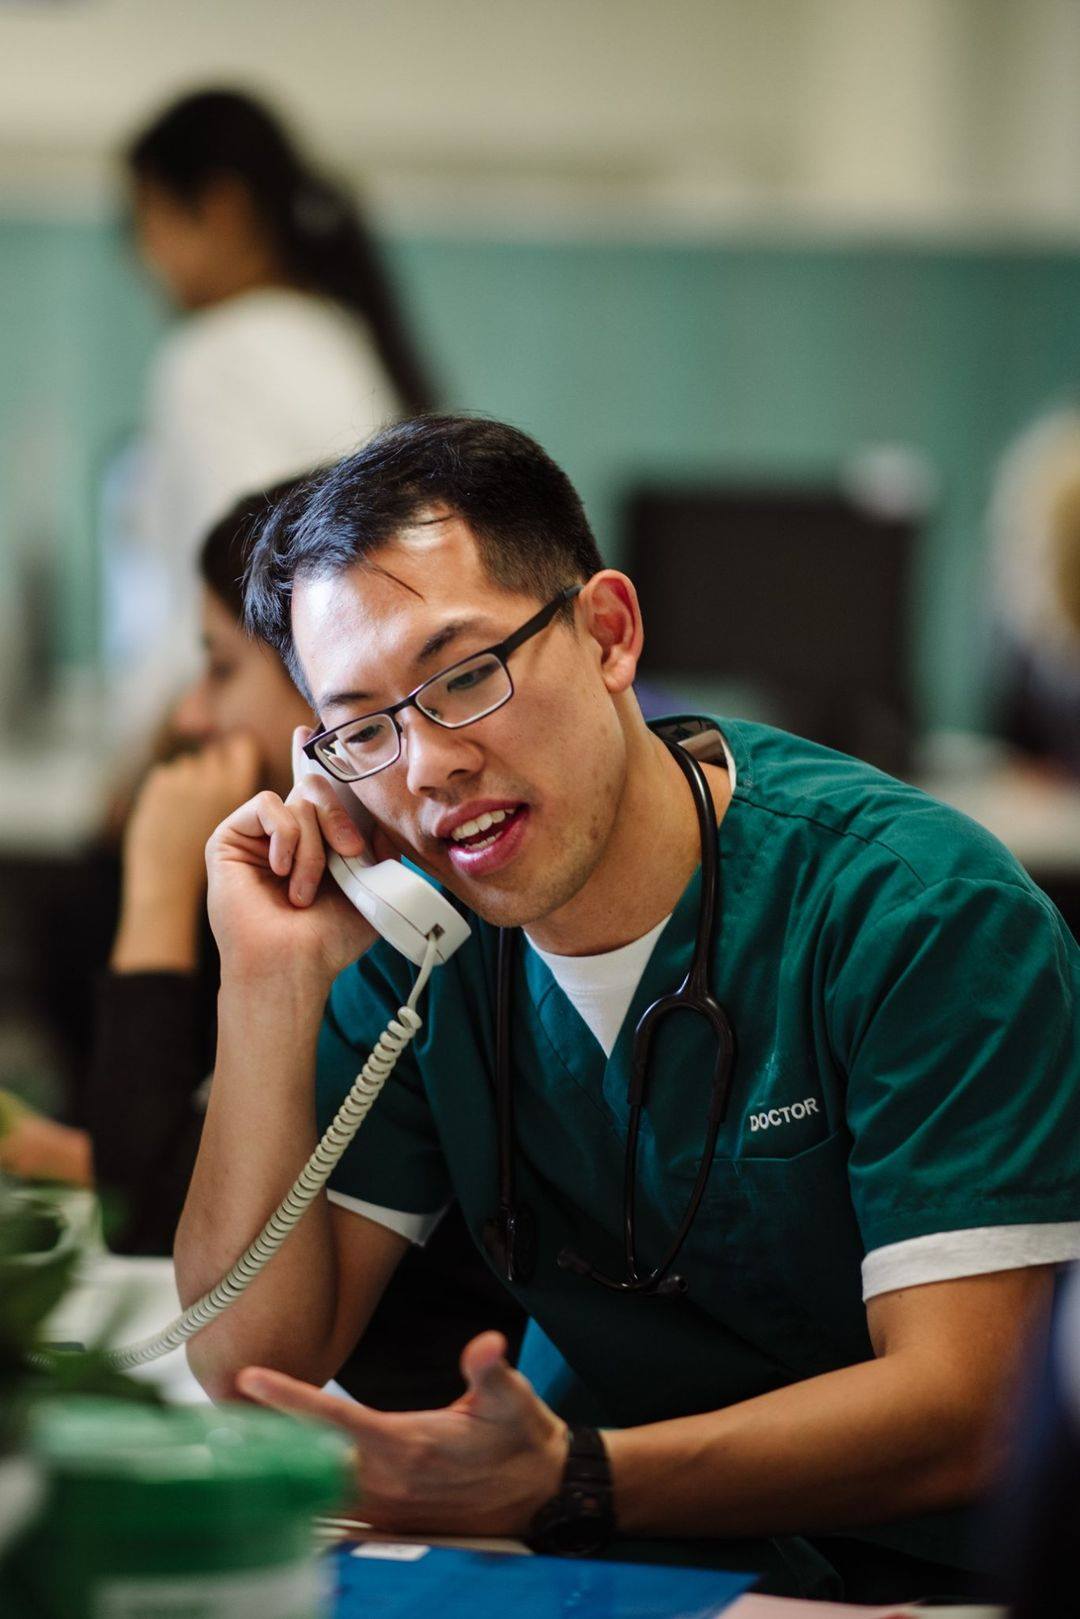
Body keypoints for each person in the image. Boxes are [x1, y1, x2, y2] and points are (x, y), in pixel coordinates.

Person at [176, 416, 1079, 1602]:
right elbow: (254, 1361)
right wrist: (267, 977)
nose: (425, 767)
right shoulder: (422, 934)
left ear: (609, 631)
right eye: (361, 728)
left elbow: (973, 1406)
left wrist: (575, 1479)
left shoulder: (916, 914)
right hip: (594, 1570)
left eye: (463, 676)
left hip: (902, 1584)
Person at [107, 86, 436, 744]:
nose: (143, 259)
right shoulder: (338, 337)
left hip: (252, 742)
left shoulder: (214, 354)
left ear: (222, 210)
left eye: (150, 221)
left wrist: (154, 749)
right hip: (354, 732)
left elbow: (230, 582)